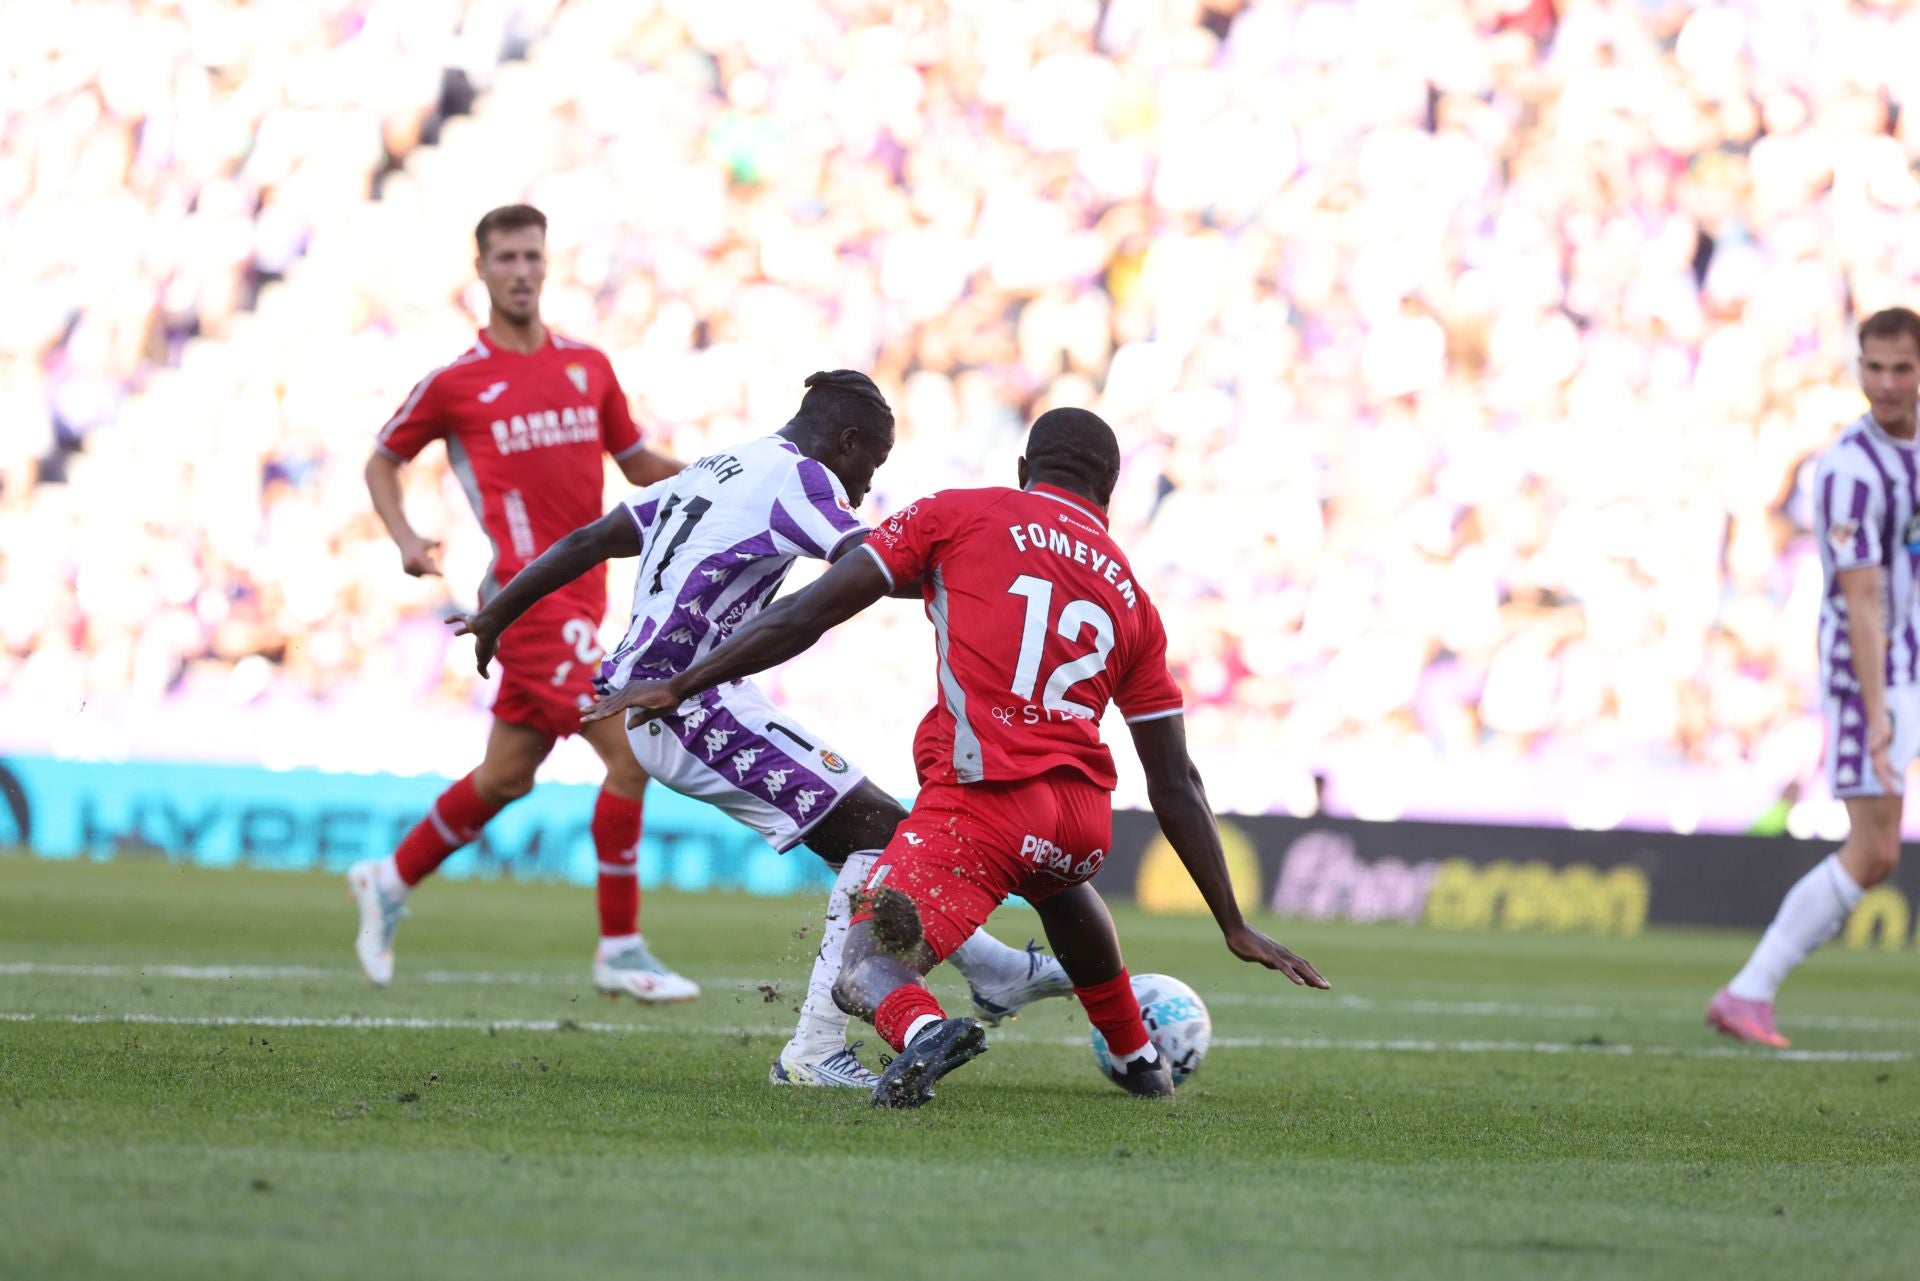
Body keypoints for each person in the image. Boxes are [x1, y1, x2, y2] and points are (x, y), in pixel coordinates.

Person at [590, 407, 1330, 1108]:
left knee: (866, 965)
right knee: (1061, 885)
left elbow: (808, 611)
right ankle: (1137, 1056)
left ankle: (918, 1027)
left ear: (1021, 467)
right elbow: (1176, 780)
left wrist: (686, 679)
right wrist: (1232, 922)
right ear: (1109, 491)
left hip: (982, 804)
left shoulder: (962, 513)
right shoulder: (1132, 597)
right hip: (1081, 823)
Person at [449, 370, 1075, 1088]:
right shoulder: (801, 480)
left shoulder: (718, 466)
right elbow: (868, 564)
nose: (865, 488)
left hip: (678, 696)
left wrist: (499, 611)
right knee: (878, 835)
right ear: (846, 442)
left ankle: (994, 972)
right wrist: (973, 569)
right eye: (870, 467)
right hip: (684, 704)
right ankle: (813, 1051)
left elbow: (594, 538)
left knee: (888, 833)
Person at [349, 204, 689, 1002]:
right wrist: (405, 537)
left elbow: (637, 462)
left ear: (547, 263)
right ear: (483, 271)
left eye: (533, 255)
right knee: (629, 750)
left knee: (505, 775)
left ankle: (389, 879)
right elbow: (381, 460)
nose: (522, 270)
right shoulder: (457, 382)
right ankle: (621, 946)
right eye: (505, 257)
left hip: (587, 596)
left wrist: (724, 475)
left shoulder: (589, 366)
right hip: (526, 601)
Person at [1709, 307, 1920, 1047]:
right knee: (1876, 850)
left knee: (1879, 849)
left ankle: (1748, 990)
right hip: (1873, 672)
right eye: (1875, 367)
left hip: (1912, 660)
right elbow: (1863, 603)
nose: (1887, 384)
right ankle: (1748, 990)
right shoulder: (1850, 470)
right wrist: (1877, 712)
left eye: (1902, 368)